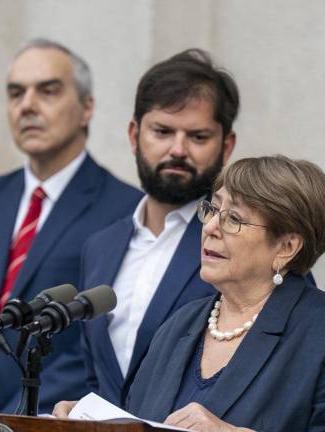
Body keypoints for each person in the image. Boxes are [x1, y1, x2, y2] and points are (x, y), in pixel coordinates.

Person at [0, 38, 142, 413]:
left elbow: (101, 344)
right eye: (16, 93)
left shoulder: (124, 209)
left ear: (87, 108)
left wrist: (10, 423)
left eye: (48, 91)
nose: (28, 105)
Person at [125, 156, 325, 431]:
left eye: (234, 219)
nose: (211, 228)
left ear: (286, 246)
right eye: (213, 210)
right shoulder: (178, 325)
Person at [75, 49, 238, 408]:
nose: (177, 149)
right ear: (135, 134)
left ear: (226, 145)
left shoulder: (244, 244)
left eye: (197, 137)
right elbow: (96, 377)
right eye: (163, 131)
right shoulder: (99, 247)